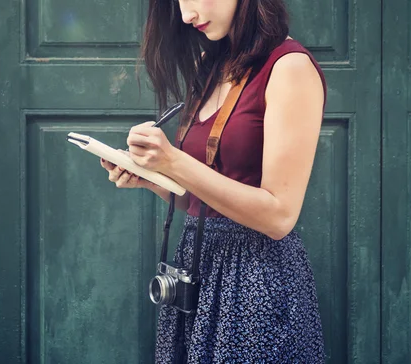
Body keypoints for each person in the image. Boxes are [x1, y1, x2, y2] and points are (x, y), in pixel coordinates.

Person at [100, 0, 327, 362]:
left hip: (257, 282)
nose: (186, 15)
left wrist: (173, 160)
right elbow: (203, 196)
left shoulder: (289, 67)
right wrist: (151, 178)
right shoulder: (211, 65)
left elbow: (279, 216)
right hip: (197, 270)